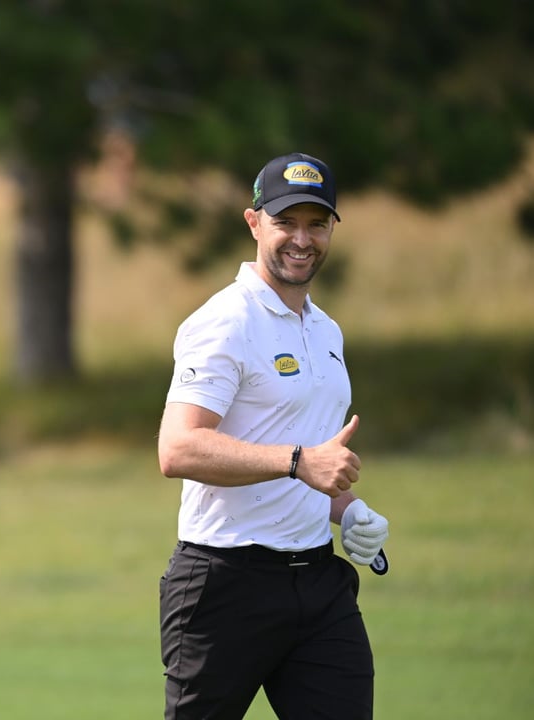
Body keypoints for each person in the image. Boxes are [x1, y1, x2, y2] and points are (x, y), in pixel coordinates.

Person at [156, 152, 391, 720]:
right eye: (286, 222)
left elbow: (309, 454)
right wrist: (296, 462)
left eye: (317, 223)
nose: (302, 239)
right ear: (254, 222)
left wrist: (348, 509)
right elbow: (178, 448)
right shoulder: (225, 322)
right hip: (224, 584)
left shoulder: (325, 328)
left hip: (318, 584)